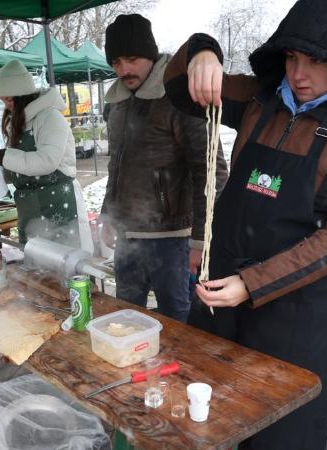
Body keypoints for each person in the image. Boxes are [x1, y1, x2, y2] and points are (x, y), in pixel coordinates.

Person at [162, 0, 327, 447]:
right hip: (223, 299)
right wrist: (202, 52)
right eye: (292, 57)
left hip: (300, 315)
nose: (299, 74)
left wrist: (253, 283)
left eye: (317, 61)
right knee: (208, 417)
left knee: (282, 432)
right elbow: (177, 86)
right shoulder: (259, 99)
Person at [100, 14, 227, 323]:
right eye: (116, 62)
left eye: (132, 59)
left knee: (178, 321)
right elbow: (116, 165)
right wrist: (108, 214)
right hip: (128, 234)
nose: (124, 70)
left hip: (174, 238)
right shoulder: (116, 103)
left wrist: (201, 241)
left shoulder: (180, 98)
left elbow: (212, 173)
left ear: (151, 55)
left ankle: (179, 372)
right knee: (126, 317)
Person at [0, 60, 93, 252]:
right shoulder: (19, 122)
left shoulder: (50, 117)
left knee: (65, 265)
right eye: (3, 101)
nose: (7, 107)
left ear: (23, 95)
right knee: (37, 269)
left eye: (9, 100)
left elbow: (47, 161)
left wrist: (1, 157)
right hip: (30, 207)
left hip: (58, 205)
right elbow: (22, 164)